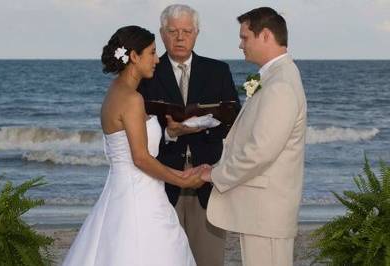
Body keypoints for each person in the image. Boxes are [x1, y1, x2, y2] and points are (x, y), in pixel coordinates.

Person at [63, 25, 203, 266]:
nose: (157, 60)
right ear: (134, 56)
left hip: (121, 191)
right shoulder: (132, 98)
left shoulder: (115, 91)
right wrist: (182, 179)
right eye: (151, 53)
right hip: (139, 196)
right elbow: (140, 158)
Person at [201, 7, 307, 266]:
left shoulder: (280, 84)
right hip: (260, 212)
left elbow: (260, 152)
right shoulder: (273, 77)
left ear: (266, 35)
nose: (240, 44)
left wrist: (214, 175)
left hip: (266, 213)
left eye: (245, 37)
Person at [138, 4, 240, 266]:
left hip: (207, 178)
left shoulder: (218, 71)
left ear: (196, 33)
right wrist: (171, 134)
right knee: (164, 258)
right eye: (173, 31)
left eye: (186, 31)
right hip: (162, 182)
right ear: (162, 34)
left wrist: (202, 125)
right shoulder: (147, 75)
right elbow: (136, 128)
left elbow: (234, 120)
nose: (180, 37)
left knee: (208, 259)